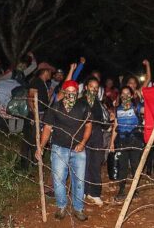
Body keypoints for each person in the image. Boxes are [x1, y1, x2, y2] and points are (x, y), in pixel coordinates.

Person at [35, 80, 92, 221]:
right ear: (64, 92)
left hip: (78, 150)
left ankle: (78, 209)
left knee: (79, 180)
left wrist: (83, 143)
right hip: (59, 148)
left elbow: (88, 126)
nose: (71, 94)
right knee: (58, 179)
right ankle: (61, 207)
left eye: (74, 92)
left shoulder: (84, 106)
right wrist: (41, 147)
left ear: (77, 93)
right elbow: (47, 128)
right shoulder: (55, 107)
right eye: (69, 91)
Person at [109, 86, 144, 201]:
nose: (125, 96)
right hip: (122, 141)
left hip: (135, 140)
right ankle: (122, 190)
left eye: (128, 93)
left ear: (132, 95)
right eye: (123, 94)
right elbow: (115, 126)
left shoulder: (136, 107)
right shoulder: (117, 109)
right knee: (122, 166)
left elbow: (149, 110)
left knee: (135, 165)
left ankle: (135, 189)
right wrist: (112, 143)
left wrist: (142, 97)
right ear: (120, 96)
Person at [19, 68, 51, 170]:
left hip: (40, 115)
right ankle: (24, 165)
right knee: (29, 139)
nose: (51, 75)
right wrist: (35, 114)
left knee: (35, 139)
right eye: (49, 72)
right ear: (45, 72)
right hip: (34, 116)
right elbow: (30, 98)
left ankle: (33, 163)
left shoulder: (42, 83)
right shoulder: (36, 81)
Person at [83, 77, 105, 207]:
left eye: (96, 87)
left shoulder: (98, 103)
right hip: (83, 136)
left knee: (96, 164)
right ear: (86, 87)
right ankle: (84, 191)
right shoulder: (79, 102)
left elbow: (102, 121)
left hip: (96, 135)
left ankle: (95, 193)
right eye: (92, 86)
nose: (94, 89)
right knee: (83, 164)